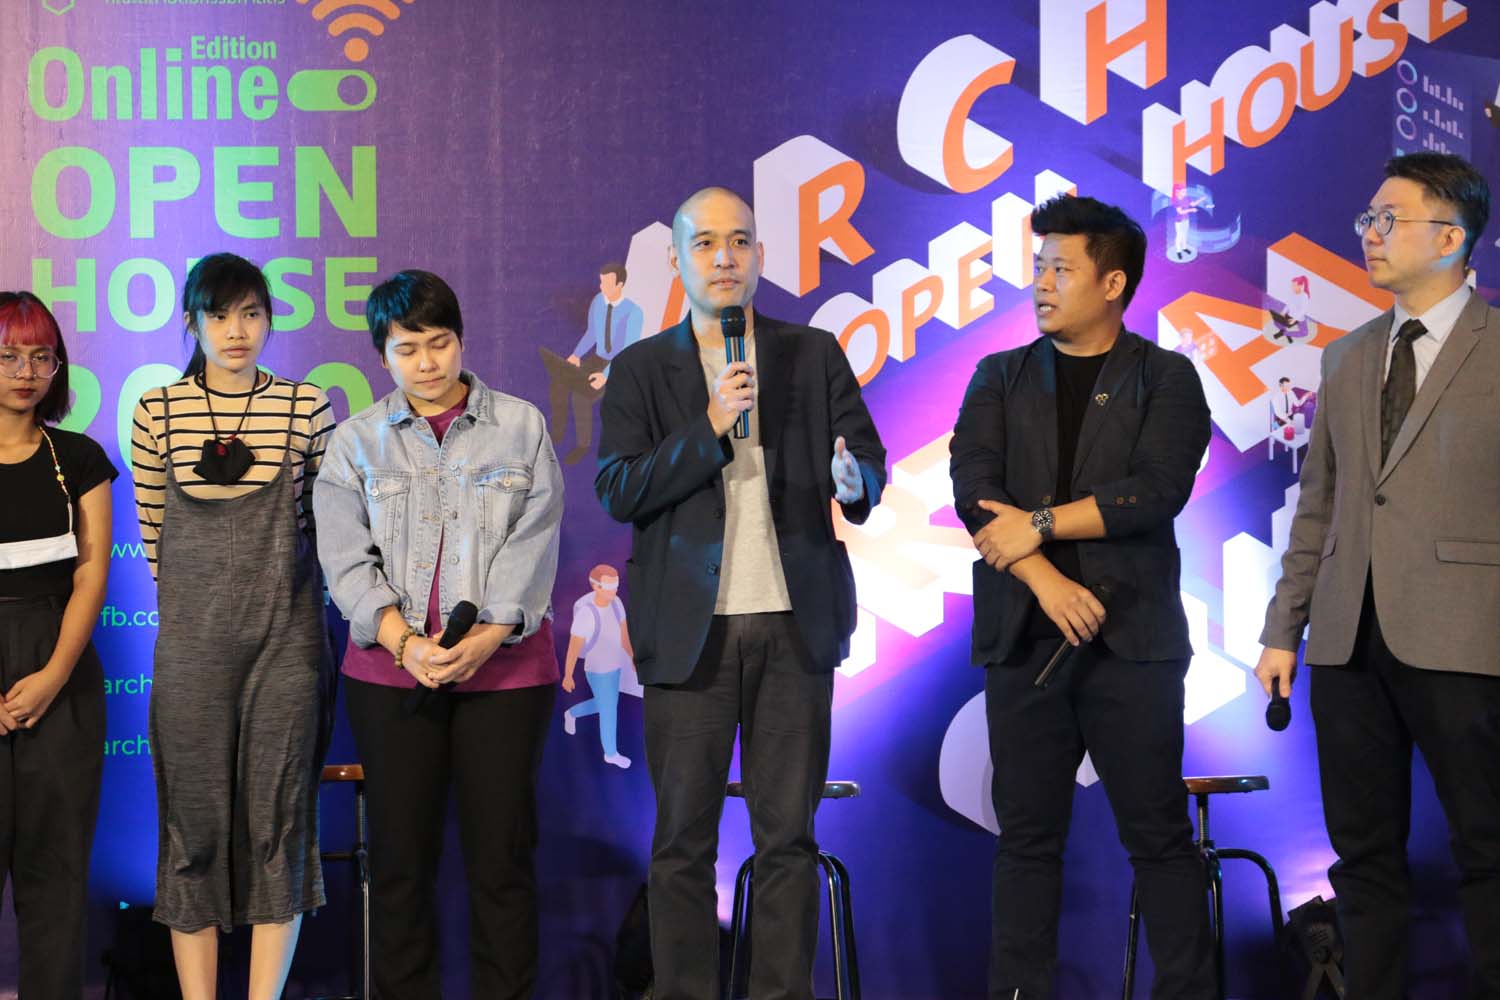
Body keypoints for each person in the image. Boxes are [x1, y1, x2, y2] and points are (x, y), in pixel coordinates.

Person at [595, 187, 885, 1000]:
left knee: (788, 838)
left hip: (796, 627)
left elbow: (866, 460)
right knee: (682, 844)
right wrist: (711, 426)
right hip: (690, 634)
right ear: (677, 259)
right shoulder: (641, 368)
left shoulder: (812, 352)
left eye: (740, 241)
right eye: (705, 243)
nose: (724, 257)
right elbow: (619, 489)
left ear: (759, 253)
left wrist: (854, 480)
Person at [949, 194, 1215, 999]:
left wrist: (1037, 523)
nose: (1041, 283)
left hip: (1133, 640)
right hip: (1023, 636)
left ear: (1112, 282)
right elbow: (975, 493)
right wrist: (1046, 578)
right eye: (1038, 267)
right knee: (1026, 841)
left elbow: (1156, 490)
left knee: (1159, 837)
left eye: (1060, 269)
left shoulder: (1165, 376)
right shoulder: (999, 375)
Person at [1256, 152, 1498, 999]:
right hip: (1346, 641)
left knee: (1488, 846)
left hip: (1470, 634)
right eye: (1368, 218)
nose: (1371, 233)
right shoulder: (1347, 356)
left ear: (1451, 237)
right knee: (1363, 858)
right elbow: (1317, 503)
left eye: (1390, 219)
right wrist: (1283, 629)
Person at [315, 269, 562, 999]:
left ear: (461, 340)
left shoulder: (520, 425)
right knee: (398, 865)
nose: (427, 362)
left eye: (440, 342)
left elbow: (536, 537)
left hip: (506, 674)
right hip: (391, 677)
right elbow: (344, 559)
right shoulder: (355, 442)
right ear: (381, 355)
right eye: (407, 348)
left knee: (502, 862)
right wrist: (403, 642)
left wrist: (488, 635)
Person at [131, 253, 334, 1000]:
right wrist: (205, 613)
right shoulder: (157, 410)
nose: (236, 330)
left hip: (287, 643)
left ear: (270, 319)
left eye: (251, 313)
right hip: (192, 647)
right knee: (192, 829)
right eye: (218, 315)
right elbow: (157, 539)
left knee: (281, 827)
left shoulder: (306, 407)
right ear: (193, 322)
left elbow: (321, 530)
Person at [0, 292, 113, 999]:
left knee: (56, 876)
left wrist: (52, 676)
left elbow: (91, 575)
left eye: (42, 357)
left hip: (60, 666)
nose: (26, 372)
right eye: (9, 356)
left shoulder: (79, 457)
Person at [541, 263, 644, 465]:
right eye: (601, 282)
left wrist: (605, 375)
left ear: (620, 285)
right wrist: (576, 354)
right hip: (598, 357)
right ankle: (556, 435)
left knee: (581, 395)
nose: (601, 287)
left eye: (606, 283)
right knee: (559, 383)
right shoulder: (598, 302)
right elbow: (592, 333)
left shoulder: (634, 312)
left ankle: (583, 445)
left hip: (619, 365)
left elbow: (628, 351)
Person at [562, 563, 636, 769]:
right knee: (609, 710)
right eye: (609, 587)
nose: (614, 591)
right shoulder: (586, 614)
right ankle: (610, 753)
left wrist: (632, 657)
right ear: (595, 586)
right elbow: (573, 648)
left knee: (603, 705)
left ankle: (571, 713)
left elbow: (624, 636)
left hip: (616, 665)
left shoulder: (617, 604)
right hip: (597, 670)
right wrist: (568, 675)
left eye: (616, 586)